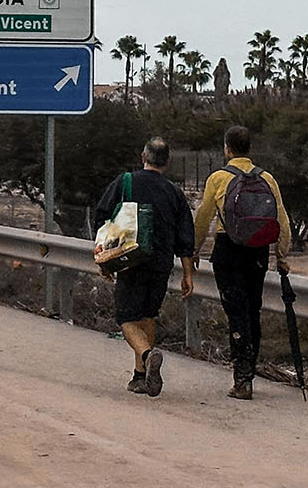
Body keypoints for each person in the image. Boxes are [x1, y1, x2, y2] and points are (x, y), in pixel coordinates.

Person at [190, 125, 293, 401]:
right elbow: (281, 219)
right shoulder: (267, 178)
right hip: (257, 252)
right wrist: (282, 256)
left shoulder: (219, 178)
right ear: (249, 148)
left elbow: (203, 217)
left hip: (228, 250)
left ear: (227, 148)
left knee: (235, 311)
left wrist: (194, 250)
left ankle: (242, 377)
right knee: (252, 310)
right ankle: (247, 373)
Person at [93, 137, 194, 397]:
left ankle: (148, 356)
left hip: (131, 259)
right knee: (148, 315)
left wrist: (103, 256)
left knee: (126, 318)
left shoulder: (125, 181)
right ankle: (140, 377)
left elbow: (102, 216)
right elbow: (185, 236)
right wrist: (187, 273)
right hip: (161, 263)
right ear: (167, 162)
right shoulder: (174, 193)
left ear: (143, 157)